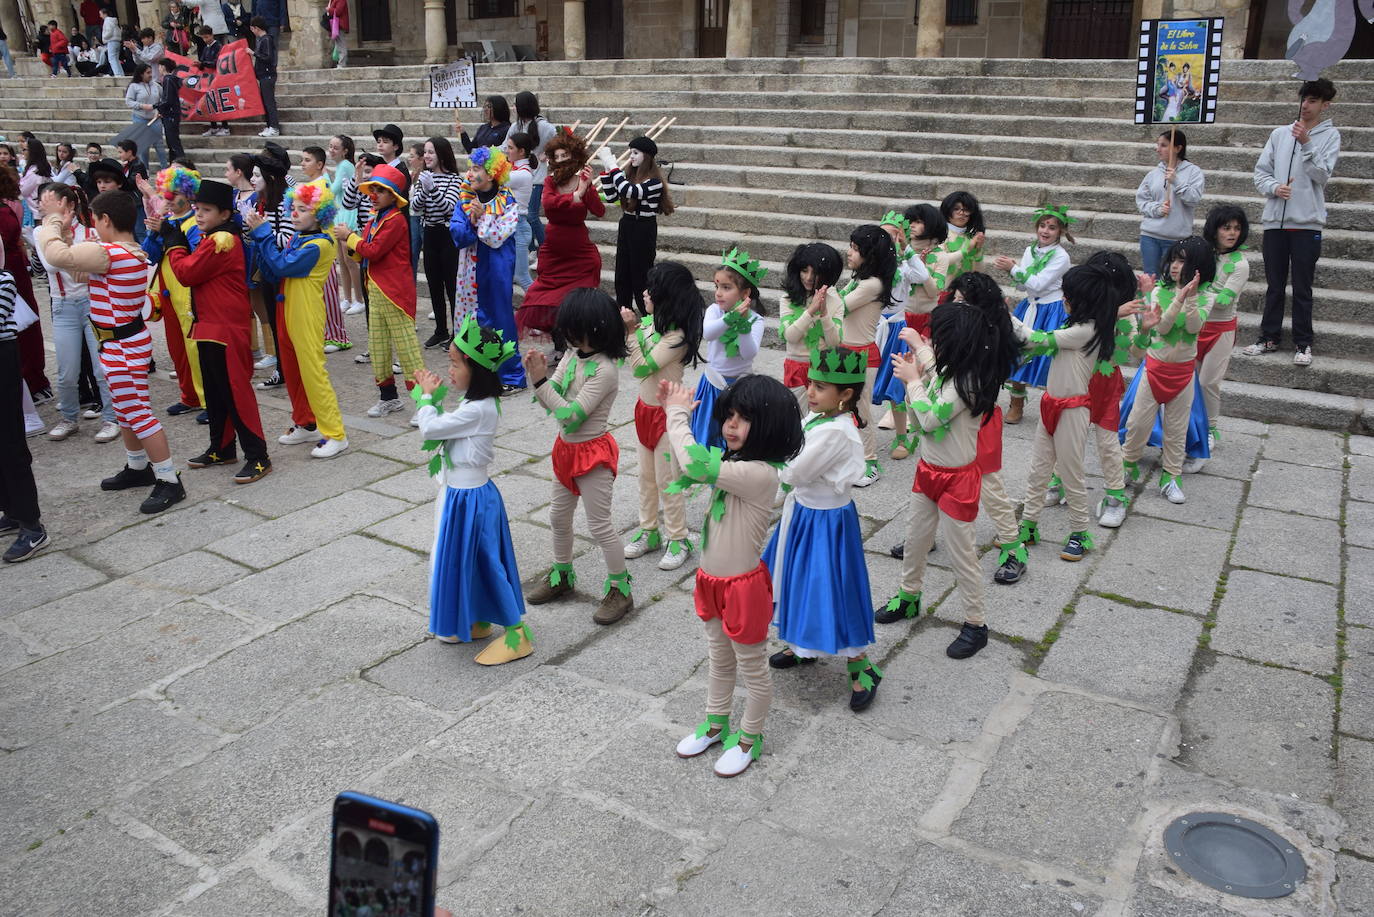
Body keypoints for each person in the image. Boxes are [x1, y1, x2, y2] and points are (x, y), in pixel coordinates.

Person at [664, 374, 803, 777]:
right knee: (719, 660)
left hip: (743, 590)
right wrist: (673, 416)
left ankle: (749, 738)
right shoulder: (733, 464)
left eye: (744, 418)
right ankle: (714, 723)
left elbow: (691, 460)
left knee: (753, 668)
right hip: (711, 582)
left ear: (770, 426)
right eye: (729, 415)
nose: (730, 425)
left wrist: (676, 415)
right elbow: (684, 465)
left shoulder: (759, 473)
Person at [876, 301, 1019, 660]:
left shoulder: (968, 381)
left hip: (958, 480)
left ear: (956, 344)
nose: (931, 344)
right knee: (915, 539)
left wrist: (912, 383)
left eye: (936, 339)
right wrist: (915, 344)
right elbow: (931, 363)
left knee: (962, 555)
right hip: (928, 471)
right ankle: (909, 596)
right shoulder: (952, 366)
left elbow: (929, 419)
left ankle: (975, 623)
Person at [37, 189, 187, 514]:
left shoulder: (112, 253)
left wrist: (51, 219)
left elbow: (56, 256)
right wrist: (66, 237)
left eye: (95, 220)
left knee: (139, 414)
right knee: (125, 409)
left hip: (122, 345)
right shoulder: (124, 252)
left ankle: (169, 479)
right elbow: (75, 265)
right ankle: (137, 467)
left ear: (105, 220)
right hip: (120, 342)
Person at [764, 346, 880, 711]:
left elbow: (794, 471)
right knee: (798, 580)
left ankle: (861, 665)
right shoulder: (817, 420)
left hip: (827, 523)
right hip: (804, 515)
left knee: (833, 587)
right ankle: (803, 645)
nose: (810, 391)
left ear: (845, 395)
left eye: (820, 387)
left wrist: (766, 455)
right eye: (811, 383)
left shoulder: (836, 432)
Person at [415, 316, 532, 664]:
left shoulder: (478, 410)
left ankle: (517, 633)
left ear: (475, 367)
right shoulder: (473, 405)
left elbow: (431, 430)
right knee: (469, 561)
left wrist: (425, 398)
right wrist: (434, 401)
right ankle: (478, 617)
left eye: (454, 363)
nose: (449, 369)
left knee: (486, 562)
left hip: (471, 499)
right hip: (463, 495)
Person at [521, 288, 633, 625]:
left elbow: (571, 414)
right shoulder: (573, 355)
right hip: (566, 450)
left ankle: (621, 589)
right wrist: (537, 378)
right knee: (558, 516)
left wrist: (540, 382)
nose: (568, 336)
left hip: (592, 454)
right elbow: (549, 396)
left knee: (599, 525)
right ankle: (563, 575)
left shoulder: (605, 370)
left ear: (595, 328)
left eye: (574, 329)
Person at [157, 177, 272, 483]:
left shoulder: (223, 240)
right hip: (209, 326)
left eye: (207, 210)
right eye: (197, 208)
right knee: (217, 392)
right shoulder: (213, 237)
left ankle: (258, 456)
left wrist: (175, 243)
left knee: (236, 393)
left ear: (224, 214)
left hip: (226, 329)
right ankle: (221, 448)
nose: (199, 215)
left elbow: (186, 272)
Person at [1014, 262, 1126, 563]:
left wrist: (1004, 315)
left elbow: (1035, 340)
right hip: (1050, 404)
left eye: (1068, 296)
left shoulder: (1086, 331)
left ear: (1082, 302)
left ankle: (1079, 532)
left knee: (1071, 473)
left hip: (1074, 411)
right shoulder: (1072, 326)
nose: (1063, 300)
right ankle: (1028, 525)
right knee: (1039, 471)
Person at [248, 178, 349, 459]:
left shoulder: (319, 244)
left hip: (304, 311)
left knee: (313, 372)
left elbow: (282, 265)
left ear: (319, 213)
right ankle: (306, 422)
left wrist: (264, 235)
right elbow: (274, 266)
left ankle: (336, 434)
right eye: (294, 207)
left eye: (303, 209)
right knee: (291, 369)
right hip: (287, 306)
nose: (295, 213)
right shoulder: (300, 237)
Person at [1246, 77, 1340, 366]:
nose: (1306, 106)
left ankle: (1303, 343)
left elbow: (1323, 176)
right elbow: (1261, 173)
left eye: (1313, 101)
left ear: (1325, 105)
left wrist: (1307, 143)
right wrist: (1275, 187)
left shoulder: (1330, 136)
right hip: (1276, 221)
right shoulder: (1279, 134)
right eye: (1304, 99)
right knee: (1275, 285)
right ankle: (1268, 336)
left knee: (1302, 287)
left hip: (1307, 223)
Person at [620, 260, 704, 571]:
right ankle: (649, 530)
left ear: (666, 297)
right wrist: (634, 329)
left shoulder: (676, 338)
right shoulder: (649, 326)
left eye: (651, 290)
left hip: (669, 417)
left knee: (669, 480)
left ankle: (678, 537)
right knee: (645, 478)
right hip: (644, 411)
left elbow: (641, 367)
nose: (644, 293)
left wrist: (631, 333)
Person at [1120, 237, 1211, 507]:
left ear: (1198, 265)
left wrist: (1190, 297)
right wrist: (1178, 298)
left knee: (1176, 429)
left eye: (1182, 260)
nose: (1174, 265)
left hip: (1183, 374)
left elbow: (1194, 327)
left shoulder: (1208, 296)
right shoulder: (1159, 291)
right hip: (1154, 369)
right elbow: (1162, 328)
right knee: (1137, 424)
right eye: (1173, 259)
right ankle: (1127, 465)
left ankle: (1171, 477)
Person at [334, 163, 422, 418]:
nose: (373, 194)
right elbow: (362, 253)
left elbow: (373, 250)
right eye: (372, 189)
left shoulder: (396, 221)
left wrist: (350, 236)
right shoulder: (375, 218)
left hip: (395, 293)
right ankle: (389, 398)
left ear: (392, 196)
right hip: (375, 288)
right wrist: (349, 242)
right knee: (379, 347)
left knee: (407, 350)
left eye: (379, 190)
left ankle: (424, 403)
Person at [35, 182, 120, 443]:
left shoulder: (91, 232)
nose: (44, 207)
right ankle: (69, 418)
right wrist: (58, 229)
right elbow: (51, 265)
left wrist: (72, 252)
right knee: (67, 370)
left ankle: (111, 418)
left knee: (101, 367)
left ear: (70, 205)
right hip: (63, 306)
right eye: (42, 203)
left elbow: (92, 269)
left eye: (51, 203)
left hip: (92, 303)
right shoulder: (42, 232)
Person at [514, 129, 604, 357]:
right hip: (554, 248)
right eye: (558, 156)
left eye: (566, 155)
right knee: (545, 296)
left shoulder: (583, 182)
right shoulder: (549, 181)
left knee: (576, 300)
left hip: (579, 248)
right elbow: (550, 206)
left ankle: (578, 344)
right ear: (552, 159)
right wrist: (576, 196)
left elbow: (599, 210)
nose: (562, 160)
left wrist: (588, 187)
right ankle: (559, 344)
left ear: (574, 157)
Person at [449, 146, 524, 393]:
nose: (470, 174)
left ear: (492, 174)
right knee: (469, 320)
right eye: (470, 168)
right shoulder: (465, 200)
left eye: (476, 168)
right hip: (468, 272)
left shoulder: (507, 202)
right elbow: (457, 235)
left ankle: (512, 376)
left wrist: (480, 220)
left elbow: (496, 237)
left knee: (500, 320)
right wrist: (471, 220)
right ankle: (479, 374)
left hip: (496, 271)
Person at [992, 204, 1074, 424]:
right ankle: (1015, 404)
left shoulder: (1061, 256)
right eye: (1043, 226)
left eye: (1052, 227)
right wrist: (1016, 272)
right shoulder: (1030, 251)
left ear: (1061, 232)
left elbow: (1037, 284)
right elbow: (1024, 287)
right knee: (1018, 352)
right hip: (1030, 307)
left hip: (1052, 310)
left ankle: (1057, 405)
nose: (1045, 231)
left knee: (1050, 359)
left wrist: (1013, 268)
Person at [141, 165, 205, 417]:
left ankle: (206, 399)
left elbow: (196, 256)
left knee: (194, 347)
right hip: (168, 292)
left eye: (174, 192)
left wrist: (166, 232)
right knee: (176, 346)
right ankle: (188, 395)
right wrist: (153, 232)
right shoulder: (166, 221)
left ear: (188, 194)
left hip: (187, 292)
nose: (168, 197)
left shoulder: (194, 223)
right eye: (166, 191)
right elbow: (150, 255)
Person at [837, 224, 896, 486]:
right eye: (851, 246)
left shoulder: (873, 284)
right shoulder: (859, 278)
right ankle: (848, 455)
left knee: (860, 409)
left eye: (855, 249)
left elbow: (840, 306)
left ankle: (870, 462)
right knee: (842, 407)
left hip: (861, 354)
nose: (849, 253)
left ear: (870, 254)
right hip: (844, 349)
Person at [0, 246, 49, 561]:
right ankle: (12, 510)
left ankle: (32, 526)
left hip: (2, 359)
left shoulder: (3, 281)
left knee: (9, 442)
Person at [691, 247, 766, 451]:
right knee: (708, 434)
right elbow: (708, 333)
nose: (718, 293)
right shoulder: (715, 311)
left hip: (741, 387)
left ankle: (731, 474)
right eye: (717, 286)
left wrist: (742, 325)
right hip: (713, 383)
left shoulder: (756, 320)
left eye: (726, 287)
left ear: (745, 293)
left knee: (736, 439)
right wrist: (729, 318)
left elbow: (749, 353)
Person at [596, 135, 674, 315]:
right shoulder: (629, 176)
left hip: (643, 228)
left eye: (635, 153)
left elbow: (628, 191)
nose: (631, 157)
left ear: (646, 156)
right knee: (622, 274)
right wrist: (608, 169)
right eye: (631, 152)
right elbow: (612, 196)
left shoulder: (654, 182)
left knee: (641, 275)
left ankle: (648, 315)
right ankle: (623, 313)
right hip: (627, 225)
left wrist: (613, 165)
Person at [1194, 205, 1250, 455]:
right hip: (1195, 325)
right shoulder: (1203, 253)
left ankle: (1211, 428)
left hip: (1221, 329)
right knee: (1192, 381)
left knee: (1208, 382)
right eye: (1226, 227)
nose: (1232, 233)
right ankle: (1192, 425)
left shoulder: (1240, 264)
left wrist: (1192, 294)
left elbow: (1224, 301)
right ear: (1214, 229)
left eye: (1237, 228)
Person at [0, 162, 51, 401]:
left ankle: (33, 381)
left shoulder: (6, 209)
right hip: (13, 268)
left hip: (11, 270)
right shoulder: (7, 207)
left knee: (22, 326)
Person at [778, 242, 842, 411]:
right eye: (804, 270)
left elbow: (834, 343)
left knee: (818, 419)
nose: (808, 277)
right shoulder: (787, 299)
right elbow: (790, 336)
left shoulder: (836, 302)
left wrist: (824, 314)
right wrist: (810, 311)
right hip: (796, 368)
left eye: (816, 273)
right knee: (796, 419)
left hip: (823, 368)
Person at [413, 136, 463, 348]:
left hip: (448, 235)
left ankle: (456, 332)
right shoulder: (423, 178)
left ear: (442, 154)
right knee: (434, 284)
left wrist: (431, 189)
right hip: (429, 234)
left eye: (431, 152)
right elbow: (415, 207)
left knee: (452, 286)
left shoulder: (454, 180)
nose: (427, 156)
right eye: (425, 152)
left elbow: (449, 208)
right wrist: (425, 188)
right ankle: (440, 330)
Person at [1136, 130, 1204, 278]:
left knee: (1171, 281)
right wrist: (1157, 209)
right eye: (1158, 145)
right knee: (1150, 279)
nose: (1158, 149)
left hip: (1176, 238)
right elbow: (1142, 202)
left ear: (1178, 148)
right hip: (1150, 236)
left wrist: (1176, 181)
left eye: (1164, 145)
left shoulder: (1194, 172)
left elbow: (1193, 199)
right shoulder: (1153, 174)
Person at [503, 92, 558, 254]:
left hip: (537, 178)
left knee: (531, 215)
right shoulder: (515, 127)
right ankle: (531, 249)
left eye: (516, 105)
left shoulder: (545, 127)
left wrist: (547, 154)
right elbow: (504, 147)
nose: (514, 108)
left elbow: (560, 143)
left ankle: (546, 250)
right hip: (518, 176)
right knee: (522, 216)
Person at [327, 135, 363, 314]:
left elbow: (332, 191)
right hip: (340, 215)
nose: (331, 150)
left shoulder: (346, 166)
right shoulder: (342, 166)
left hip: (348, 217)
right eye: (330, 147)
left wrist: (324, 177)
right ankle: (347, 298)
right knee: (341, 261)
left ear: (345, 151)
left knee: (350, 261)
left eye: (335, 147)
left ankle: (359, 299)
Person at [503, 132, 534, 290]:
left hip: (518, 227)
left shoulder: (521, 174)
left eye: (510, 148)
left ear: (521, 151)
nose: (507, 151)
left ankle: (543, 309)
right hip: (510, 226)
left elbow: (495, 180)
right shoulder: (517, 170)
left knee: (521, 276)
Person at [124, 65, 167, 171]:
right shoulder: (134, 86)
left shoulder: (156, 85)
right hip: (140, 118)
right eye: (148, 73)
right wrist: (142, 106)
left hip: (155, 118)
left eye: (151, 72)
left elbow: (165, 97)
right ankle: (145, 170)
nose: (150, 75)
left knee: (159, 145)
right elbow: (128, 102)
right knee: (144, 147)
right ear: (141, 74)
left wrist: (162, 110)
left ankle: (165, 169)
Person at [250, 17, 281, 138]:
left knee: (269, 102)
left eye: (253, 29)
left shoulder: (266, 39)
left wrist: (253, 53)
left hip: (268, 75)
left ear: (256, 28)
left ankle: (274, 127)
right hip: (263, 76)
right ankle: (269, 126)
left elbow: (267, 57)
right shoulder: (261, 40)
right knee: (265, 102)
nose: (252, 31)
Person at [156, 58, 185, 161]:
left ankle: (182, 164)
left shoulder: (168, 80)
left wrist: (158, 107)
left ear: (163, 67)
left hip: (170, 115)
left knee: (173, 142)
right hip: (172, 114)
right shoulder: (171, 79)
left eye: (159, 66)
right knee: (171, 142)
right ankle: (174, 163)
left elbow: (167, 99)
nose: (158, 69)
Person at [100, 8, 123, 78]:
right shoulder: (113, 21)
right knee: (115, 58)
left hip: (111, 41)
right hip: (116, 41)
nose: (100, 16)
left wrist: (104, 37)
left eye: (100, 14)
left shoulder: (107, 21)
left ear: (104, 14)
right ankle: (120, 73)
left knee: (112, 58)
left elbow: (109, 31)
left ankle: (117, 74)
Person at [325, 0, 349, 66]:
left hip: (339, 25)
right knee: (338, 45)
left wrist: (329, 9)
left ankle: (342, 64)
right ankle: (340, 63)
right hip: (335, 25)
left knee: (341, 45)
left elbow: (338, 11)